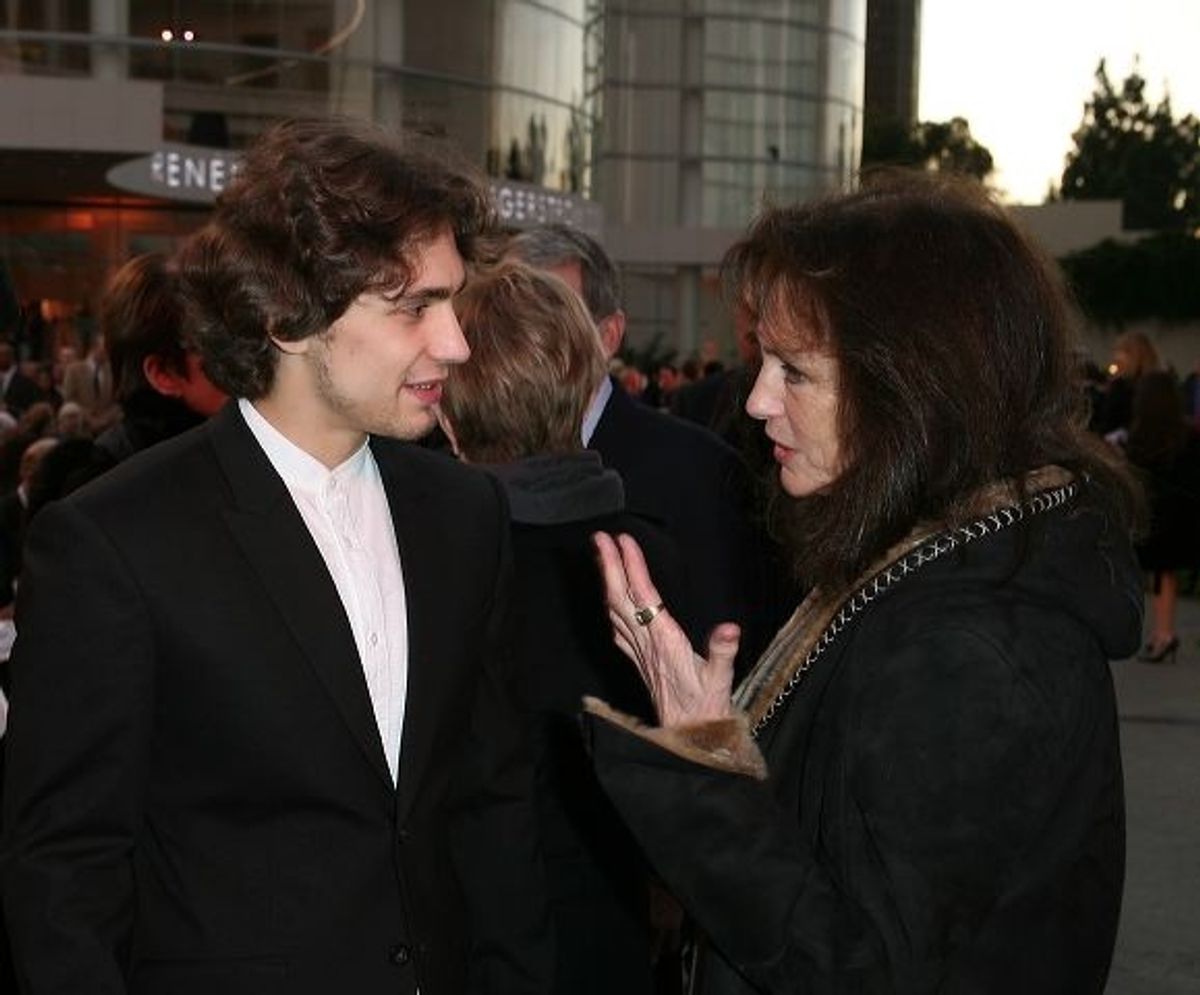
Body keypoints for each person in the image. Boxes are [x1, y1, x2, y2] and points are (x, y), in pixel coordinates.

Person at [1, 118, 551, 995]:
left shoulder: (465, 513)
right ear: (288, 316)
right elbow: (65, 871)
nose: (455, 342)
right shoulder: (114, 542)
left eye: (451, 302)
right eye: (415, 306)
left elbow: (492, 808)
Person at [584, 171, 1142, 994]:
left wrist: (704, 788)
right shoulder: (930, 566)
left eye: (795, 371)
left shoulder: (968, 641)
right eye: (762, 361)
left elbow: (860, 968)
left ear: (913, 386)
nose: (760, 399)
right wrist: (713, 748)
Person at [439, 260, 686, 995]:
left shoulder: (430, 566)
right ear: (587, 388)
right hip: (615, 939)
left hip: (465, 944)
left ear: (446, 411)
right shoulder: (654, 555)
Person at [505, 224, 775, 671]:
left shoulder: (699, 472)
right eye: (505, 322)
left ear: (608, 337)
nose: (520, 345)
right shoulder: (452, 467)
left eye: (547, 324)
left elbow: (721, 655)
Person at [1120, 370, 1200, 662]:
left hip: (1154, 515)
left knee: (1157, 574)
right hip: (1181, 515)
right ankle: (1163, 633)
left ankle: (1162, 635)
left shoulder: (1141, 436)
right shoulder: (1186, 435)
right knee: (1165, 576)